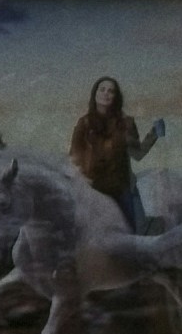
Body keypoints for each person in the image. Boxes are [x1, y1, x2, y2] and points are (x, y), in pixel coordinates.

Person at [69, 75, 166, 231]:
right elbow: (74, 157)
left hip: (121, 189)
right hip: (92, 190)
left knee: (133, 234)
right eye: (102, 89)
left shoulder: (126, 123)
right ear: (95, 94)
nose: (106, 94)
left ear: (116, 97)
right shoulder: (84, 123)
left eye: (111, 91)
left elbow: (137, 154)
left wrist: (154, 133)